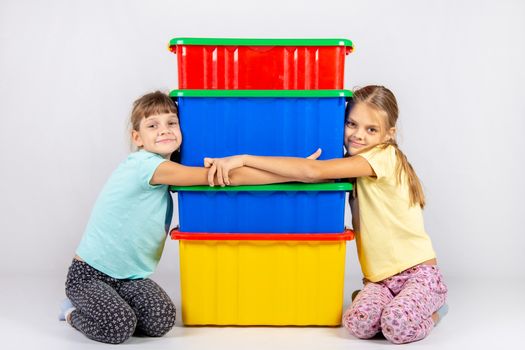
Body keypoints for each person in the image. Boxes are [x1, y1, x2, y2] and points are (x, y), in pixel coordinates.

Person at [204, 85, 448, 344]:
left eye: (371, 129)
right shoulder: (350, 163)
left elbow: (311, 172)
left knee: (396, 327)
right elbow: (298, 172)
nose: (358, 135)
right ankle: (387, 304)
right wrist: (240, 169)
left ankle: (436, 308)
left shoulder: (384, 156)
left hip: (418, 273)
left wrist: (243, 158)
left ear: (389, 134)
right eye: (352, 124)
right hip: (379, 280)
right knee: (358, 324)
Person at [59, 91, 303, 344]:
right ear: (137, 138)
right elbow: (229, 178)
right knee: (118, 328)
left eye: (171, 123)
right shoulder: (145, 166)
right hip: (89, 274)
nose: (164, 130)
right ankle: (71, 313)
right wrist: (294, 173)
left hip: (129, 277)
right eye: (152, 125)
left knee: (161, 320)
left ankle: (114, 305)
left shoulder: (164, 169)